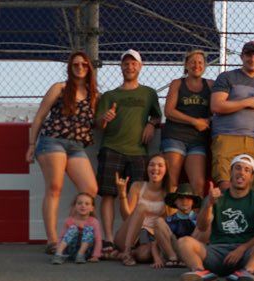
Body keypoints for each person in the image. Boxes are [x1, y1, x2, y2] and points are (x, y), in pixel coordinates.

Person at [25, 51, 99, 248]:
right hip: (53, 141)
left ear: (89, 68)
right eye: (76, 65)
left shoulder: (94, 94)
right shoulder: (60, 88)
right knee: (54, 187)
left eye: (84, 64)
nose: (80, 67)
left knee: (90, 189)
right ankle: (52, 240)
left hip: (76, 146)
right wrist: (31, 145)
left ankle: (74, 232)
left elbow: (97, 123)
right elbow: (40, 116)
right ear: (70, 68)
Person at [93, 49, 163, 251]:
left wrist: (151, 125)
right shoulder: (109, 95)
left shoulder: (149, 93)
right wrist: (104, 119)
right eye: (126, 63)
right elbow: (98, 124)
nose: (130, 67)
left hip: (138, 152)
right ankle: (107, 239)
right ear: (121, 67)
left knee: (136, 198)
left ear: (140, 67)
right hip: (111, 148)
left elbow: (157, 117)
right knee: (108, 194)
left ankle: (132, 238)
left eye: (133, 63)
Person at [177, 154, 254, 281]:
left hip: (245, 253)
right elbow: (202, 226)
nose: (241, 172)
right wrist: (209, 204)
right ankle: (201, 273)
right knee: (184, 242)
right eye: (238, 168)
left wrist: (241, 249)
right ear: (230, 172)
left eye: (247, 170)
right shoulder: (216, 197)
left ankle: (246, 273)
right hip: (216, 251)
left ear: (251, 177)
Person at [209, 40, 254, 189]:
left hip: (253, 140)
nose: (252, 59)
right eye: (248, 55)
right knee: (224, 181)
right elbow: (216, 105)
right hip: (226, 136)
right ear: (242, 57)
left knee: (245, 185)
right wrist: (246, 102)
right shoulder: (227, 77)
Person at [160, 49, 212, 201]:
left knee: (199, 184)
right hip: (175, 135)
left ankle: (196, 222)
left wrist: (209, 120)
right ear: (186, 65)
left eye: (200, 62)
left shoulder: (210, 84)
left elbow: (216, 108)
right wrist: (194, 121)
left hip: (197, 140)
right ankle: (170, 221)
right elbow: (169, 111)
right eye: (193, 62)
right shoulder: (177, 83)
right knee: (171, 181)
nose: (197, 65)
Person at [114, 153, 170, 265]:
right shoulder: (137, 186)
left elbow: (169, 223)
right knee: (141, 207)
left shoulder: (169, 191)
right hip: (127, 235)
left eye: (160, 165)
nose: (155, 168)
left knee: (144, 256)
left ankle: (120, 255)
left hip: (150, 238)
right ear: (147, 168)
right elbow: (126, 217)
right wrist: (122, 194)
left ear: (166, 170)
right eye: (152, 165)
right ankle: (127, 252)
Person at [149, 183, 201, 268]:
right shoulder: (169, 220)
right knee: (158, 221)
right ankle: (172, 257)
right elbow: (154, 243)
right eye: (180, 198)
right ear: (175, 201)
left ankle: (186, 258)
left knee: (203, 225)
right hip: (173, 249)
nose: (184, 201)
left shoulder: (197, 219)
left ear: (193, 202)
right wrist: (157, 259)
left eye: (188, 198)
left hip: (189, 250)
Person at [49, 192, 102, 265]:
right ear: (74, 206)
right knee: (73, 228)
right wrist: (58, 248)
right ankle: (58, 255)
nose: (83, 206)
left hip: (86, 252)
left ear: (92, 208)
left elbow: (98, 239)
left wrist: (96, 255)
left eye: (87, 204)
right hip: (71, 251)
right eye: (79, 203)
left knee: (88, 229)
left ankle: (80, 254)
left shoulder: (94, 221)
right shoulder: (69, 220)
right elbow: (61, 237)